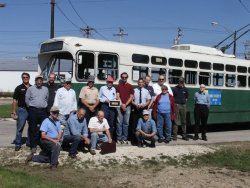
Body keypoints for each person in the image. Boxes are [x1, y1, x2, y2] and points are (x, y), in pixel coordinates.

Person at [25, 75, 48, 153]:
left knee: (44, 128)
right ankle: (33, 146)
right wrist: (31, 107)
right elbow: (27, 100)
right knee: (32, 128)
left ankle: (43, 144)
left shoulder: (46, 89)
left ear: (42, 81)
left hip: (43, 111)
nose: (39, 82)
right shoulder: (30, 89)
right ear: (35, 81)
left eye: (40, 80)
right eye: (37, 80)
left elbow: (46, 99)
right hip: (33, 111)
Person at [12, 72, 31, 151]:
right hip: (22, 110)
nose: (25, 78)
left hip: (31, 110)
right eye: (24, 77)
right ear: (22, 78)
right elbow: (14, 100)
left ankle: (29, 142)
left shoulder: (33, 87)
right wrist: (13, 111)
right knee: (20, 128)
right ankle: (18, 143)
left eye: (26, 77)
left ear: (29, 78)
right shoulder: (18, 88)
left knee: (31, 127)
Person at [116, 72, 134, 144]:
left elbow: (131, 97)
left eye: (125, 77)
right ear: (121, 78)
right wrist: (121, 104)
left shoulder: (130, 86)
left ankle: (125, 138)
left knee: (126, 123)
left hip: (128, 106)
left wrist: (125, 105)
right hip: (120, 106)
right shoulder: (118, 86)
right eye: (123, 77)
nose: (124, 78)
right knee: (119, 123)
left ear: (127, 77)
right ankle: (119, 138)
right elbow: (117, 96)